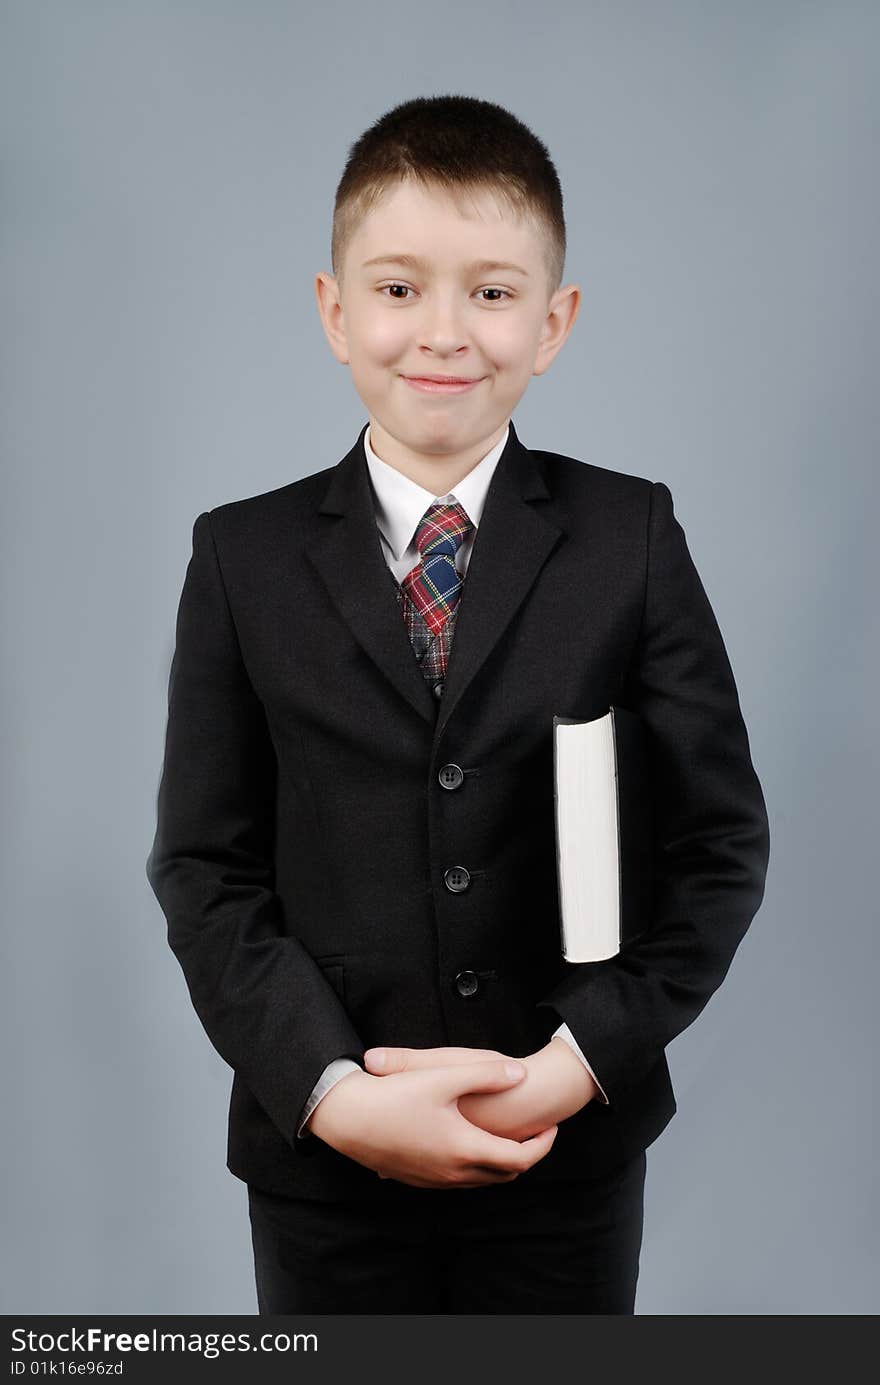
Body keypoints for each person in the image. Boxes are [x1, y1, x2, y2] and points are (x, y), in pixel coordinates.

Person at [146, 94, 771, 1315]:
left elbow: (719, 847)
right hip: (325, 1168)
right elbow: (203, 868)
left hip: (565, 1160)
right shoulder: (241, 557)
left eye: (491, 291)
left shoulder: (627, 535)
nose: (443, 331)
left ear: (553, 323)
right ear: (334, 310)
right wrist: (335, 1092)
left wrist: (573, 1066)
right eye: (396, 289)